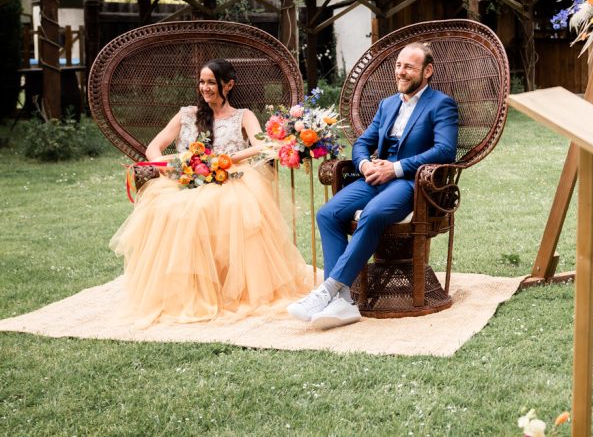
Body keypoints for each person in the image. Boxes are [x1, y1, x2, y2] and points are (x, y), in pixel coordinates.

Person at [109, 58, 308, 327]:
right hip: (189, 178)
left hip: (230, 180)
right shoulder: (186, 115)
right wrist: (168, 168)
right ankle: (183, 290)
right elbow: (154, 147)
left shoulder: (243, 115)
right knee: (172, 208)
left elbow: (263, 145)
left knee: (211, 207)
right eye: (202, 82)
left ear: (228, 85)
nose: (205, 88)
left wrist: (228, 159)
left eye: (211, 82)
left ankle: (229, 289)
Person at [288, 42, 459, 329]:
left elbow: (444, 150)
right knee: (328, 214)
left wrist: (396, 167)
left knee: (373, 214)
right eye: (399, 65)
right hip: (374, 177)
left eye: (409, 67)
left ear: (427, 71)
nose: (401, 72)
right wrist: (366, 164)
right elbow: (364, 143)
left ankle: (327, 291)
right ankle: (343, 301)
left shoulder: (441, 104)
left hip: (410, 183)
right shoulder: (388, 104)